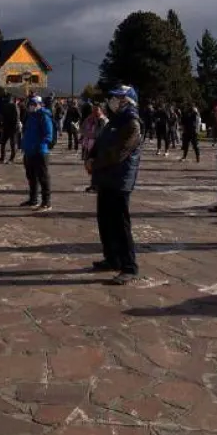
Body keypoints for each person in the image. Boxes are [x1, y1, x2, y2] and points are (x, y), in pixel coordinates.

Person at [86, 85, 143, 285]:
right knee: (105, 221)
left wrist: (95, 163)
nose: (113, 101)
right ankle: (112, 258)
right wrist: (90, 157)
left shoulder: (132, 124)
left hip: (120, 180)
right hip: (106, 179)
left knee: (120, 224)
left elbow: (118, 153)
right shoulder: (114, 121)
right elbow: (101, 143)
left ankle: (129, 266)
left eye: (118, 98)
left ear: (128, 101)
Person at [21, 96, 54, 211]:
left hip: (40, 152)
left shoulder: (43, 116)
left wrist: (39, 145)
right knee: (31, 177)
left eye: (34, 104)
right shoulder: (31, 116)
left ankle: (46, 202)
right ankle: (33, 199)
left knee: (43, 177)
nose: (31, 106)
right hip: (29, 151)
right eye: (30, 103)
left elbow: (48, 135)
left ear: (40, 104)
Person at [0, 96, 21, 163]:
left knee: (12, 143)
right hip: (7, 126)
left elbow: (17, 117)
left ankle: (11, 158)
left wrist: (0, 124)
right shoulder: (6, 106)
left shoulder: (13, 106)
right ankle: (3, 158)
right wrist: (0, 124)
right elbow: (2, 116)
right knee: (5, 142)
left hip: (12, 127)